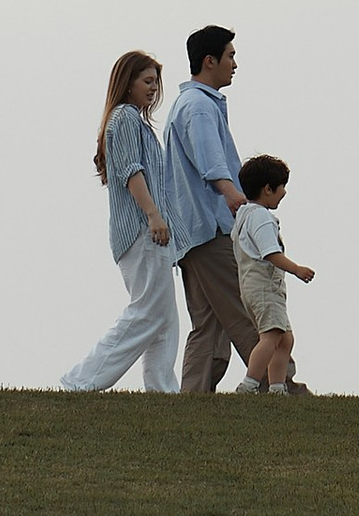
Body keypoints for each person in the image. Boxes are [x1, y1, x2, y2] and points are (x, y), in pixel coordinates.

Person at [59, 50, 178, 394]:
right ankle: (81, 380)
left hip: (153, 231)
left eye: (156, 82)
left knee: (165, 319)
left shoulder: (134, 121)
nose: (154, 89)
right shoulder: (124, 117)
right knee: (146, 313)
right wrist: (153, 216)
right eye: (147, 81)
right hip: (143, 231)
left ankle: (162, 389)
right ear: (127, 84)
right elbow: (131, 172)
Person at [164, 22, 271, 397]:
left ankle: (193, 397)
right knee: (248, 310)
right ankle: (280, 385)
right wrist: (241, 204)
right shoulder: (198, 107)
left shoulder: (191, 105)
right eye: (230, 57)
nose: (235, 65)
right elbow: (212, 165)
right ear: (209, 61)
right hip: (211, 230)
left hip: (192, 234)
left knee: (208, 326)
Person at [229, 155, 314, 391]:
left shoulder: (243, 215)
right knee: (271, 336)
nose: (284, 192)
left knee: (285, 339)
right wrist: (297, 269)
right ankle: (249, 384)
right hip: (265, 288)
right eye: (281, 187)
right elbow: (270, 253)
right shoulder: (261, 218)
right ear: (268, 189)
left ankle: (278, 387)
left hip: (251, 288)